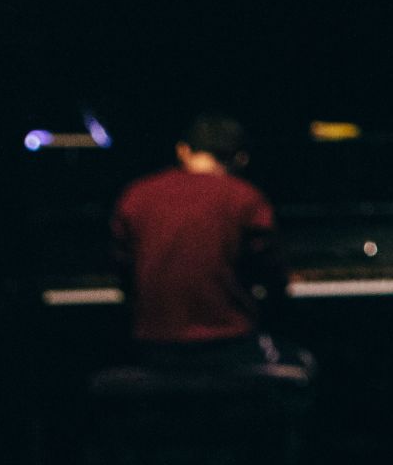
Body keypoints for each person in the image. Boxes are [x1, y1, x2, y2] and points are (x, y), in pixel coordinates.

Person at [109, 114, 307, 377]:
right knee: (302, 363)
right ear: (241, 158)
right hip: (228, 347)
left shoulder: (136, 195)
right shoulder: (245, 197)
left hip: (153, 349)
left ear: (183, 150)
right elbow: (272, 275)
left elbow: (124, 273)